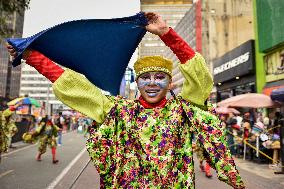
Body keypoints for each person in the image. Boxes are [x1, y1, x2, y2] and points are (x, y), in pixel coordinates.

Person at [7, 12, 245, 188]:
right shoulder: (120, 111)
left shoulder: (183, 110)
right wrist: (32, 56)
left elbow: (201, 79)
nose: (152, 83)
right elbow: (77, 88)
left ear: (170, 82)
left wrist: (165, 34)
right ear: (138, 82)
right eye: (145, 78)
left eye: (160, 77)